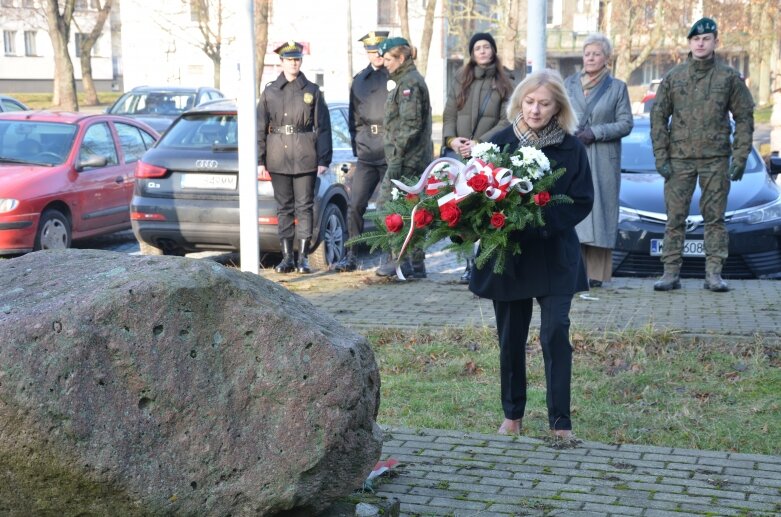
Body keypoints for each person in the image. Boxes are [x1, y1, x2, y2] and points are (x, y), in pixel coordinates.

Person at [469, 69, 594, 438]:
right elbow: (476, 196)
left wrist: (538, 220)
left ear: (558, 107)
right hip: (510, 256)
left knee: (555, 332)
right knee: (510, 338)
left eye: (544, 103)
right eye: (529, 102)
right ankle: (512, 416)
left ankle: (560, 422)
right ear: (519, 102)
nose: (535, 110)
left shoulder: (572, 148)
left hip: (555, 254)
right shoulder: (499, 143)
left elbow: (582, 200)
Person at [650, 17, 754, 292]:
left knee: (715, 218)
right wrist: (661, 156)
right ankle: (670, 273)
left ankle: (714, 274)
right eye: (696, 38)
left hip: (715, 159)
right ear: (690, 42)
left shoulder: (728, 77)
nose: (700, 42)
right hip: (679, 158)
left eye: (706, 38)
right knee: (674, 218)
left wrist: (740, 156)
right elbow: (658, 116)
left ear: (715, 42)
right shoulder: (674, 77)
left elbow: (744, 116)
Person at [442, 32, 515, 284]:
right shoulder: (460, 79)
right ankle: (467, 264)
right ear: (472, 53)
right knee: (461, 209)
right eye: (478, 48)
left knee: (486, 208)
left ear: (494, 50)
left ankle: (485, 264)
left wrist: (480, 144)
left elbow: (507, 119)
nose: (483, 51)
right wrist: (452, 140)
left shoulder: (506, 81)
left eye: (487, 47)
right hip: (461, 154)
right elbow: (450, 113)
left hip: (489, 155)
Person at [257, 40, 332, 274]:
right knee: (284, 208)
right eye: (289, 59)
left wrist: (323, 159)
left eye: (297, 59)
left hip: (305, 156)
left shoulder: (311, 90)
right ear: (281, 62)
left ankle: (303, 258)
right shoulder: (270, 91)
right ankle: (287, 257)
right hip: (278, 155)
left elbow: (323, 126)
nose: (294, 63)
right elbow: (260, 127)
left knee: (305, 207)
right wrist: (260, 160)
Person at [564, 33, 633, 288]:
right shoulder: (569, 84)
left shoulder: (617, 88)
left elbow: (626, 123)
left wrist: (597, 132)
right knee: (573, 209)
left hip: (602, 156)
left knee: (600, 212)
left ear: (606, 58)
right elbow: (557, 113)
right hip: (574, 154)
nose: (590, 58)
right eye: (587, 53)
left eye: (596, 53)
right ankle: (573, 270)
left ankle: (596, 274)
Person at [374, 36, 433, 279]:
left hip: (407, 159)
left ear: (401, 58)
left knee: (387, 206)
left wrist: (396, 157)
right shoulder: (406, 80)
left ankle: (398, 259)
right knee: (412, 208)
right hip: (412, 158)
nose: (384, 63)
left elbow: (410, 124)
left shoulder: (408, 83)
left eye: (388, 59)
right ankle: (415, 263)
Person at [332, 31, 390, 273]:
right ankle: (351, 254)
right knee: (355, 204)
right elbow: (354, 119)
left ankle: (391, 255)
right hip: (367, 151)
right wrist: (358, 146)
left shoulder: (395, 76)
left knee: (390, 207)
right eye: (371, 51)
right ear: (366, 53)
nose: (376, 55)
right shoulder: (359, 81)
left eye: (380, 50)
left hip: (390, 150)